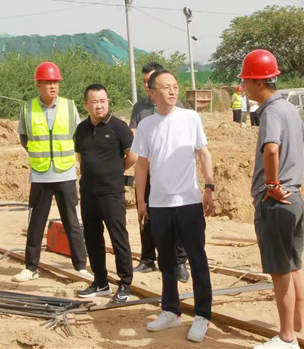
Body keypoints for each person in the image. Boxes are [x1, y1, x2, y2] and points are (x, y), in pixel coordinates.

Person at [131, 69, 215, 343]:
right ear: (152, 92)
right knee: (165, 260)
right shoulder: (146, 125)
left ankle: (202, 315)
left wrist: (209, 187)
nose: (172, 91)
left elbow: (203, 153)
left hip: (188, 202)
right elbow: (142, 165)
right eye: (166, 87)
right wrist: (141, 201)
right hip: (159, 205)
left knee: (197, 259)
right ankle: (170, 310)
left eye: (175, 86)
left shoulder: (191, 118)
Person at [239, 50, 304, 349]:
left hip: (276, 203)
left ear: (258, 82)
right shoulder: (289, 108)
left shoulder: (270, 112)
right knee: (294, 266)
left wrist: (272, 184)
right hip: (294, 198)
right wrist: (294, 172)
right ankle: (298, 325)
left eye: (246, 81)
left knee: (280, 272)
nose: (243, 87)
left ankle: (287, 337)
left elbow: (271, 149)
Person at [12, 62, 89, 283]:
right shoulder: (27, 108)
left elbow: (78, 137)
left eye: (56, 82)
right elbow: (24, 138)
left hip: (65, 173)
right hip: (40, 173)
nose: (53, 86)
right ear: (38, 85)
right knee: (36, 223)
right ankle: (31, 267)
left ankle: (80, 266)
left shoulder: (69, 106)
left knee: (72, 222)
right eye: (48, 83)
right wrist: (40, 155)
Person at [75, 84, 137, 304]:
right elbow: (80, 157)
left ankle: (125, 284)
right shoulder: (81, 129)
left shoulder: (118, 127)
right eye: (94, 102)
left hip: (111, 193)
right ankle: (100, 281)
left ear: (108, 102)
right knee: (92, 238)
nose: (99, 105)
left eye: (103, 101)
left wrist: (114, 171)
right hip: (88, 192)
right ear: (86, 105)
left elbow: (132, 156)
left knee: (118, 237)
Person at [129, 62, 189, 283]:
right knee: (145, 213)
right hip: (147, 170)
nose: (147, 85)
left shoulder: (178, 106)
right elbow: (134, 134)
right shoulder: (140, 108)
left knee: (177, 217)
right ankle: (147, 258)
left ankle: (180, 261)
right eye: (144, 82)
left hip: (171, 173)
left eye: (150, 81)